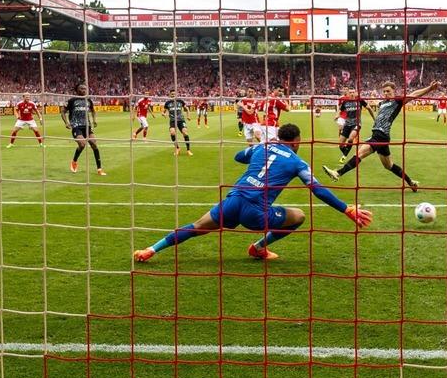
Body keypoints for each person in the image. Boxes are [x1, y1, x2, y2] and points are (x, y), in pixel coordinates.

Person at [133, 123, 373, 262]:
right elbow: (318, 190)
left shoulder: (263, 147)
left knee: (195, 227)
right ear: (297, 141)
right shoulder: (298, 163)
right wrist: (346, 209)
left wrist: (258, 149)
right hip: (256, 214)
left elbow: (238, 157)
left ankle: (150, 250)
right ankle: (258, 247)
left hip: (234, 201)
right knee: (298, 216)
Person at [323, 80, 441, 191]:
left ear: (394, 91)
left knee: (360, 153)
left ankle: (337, 173)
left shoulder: (397, 101)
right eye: (384, 91)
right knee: (389, 165)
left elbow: (414, 94)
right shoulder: (382, 103)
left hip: (380, 135)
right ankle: (411, 183)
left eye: (388, 91)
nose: (385, 93)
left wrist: (430, 88)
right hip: (381, 136)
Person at [60, 83, 106, 175]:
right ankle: (74, 161)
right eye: (81, 88)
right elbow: (63, 111)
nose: (84, 90)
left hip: (87, 126)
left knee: (94, 144)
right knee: (82, 144)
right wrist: (66, 123)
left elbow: (93, 111)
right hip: (76, 126)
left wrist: (94, 120)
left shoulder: (88, 100)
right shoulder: (72, 100)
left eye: (85, 89)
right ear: (77, 90)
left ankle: (99, 169)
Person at [337, 87, 375, 164]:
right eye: (350, 92)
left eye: (353, 92)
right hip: (347, 124)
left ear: (355, 93)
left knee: (351, 139)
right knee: (340, 144)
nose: (351, 94)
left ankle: (344, 155)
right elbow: (340, 110)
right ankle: (346, 152)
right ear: (348, 93)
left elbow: (369, 108)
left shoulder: (360, 100)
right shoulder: (345, 102)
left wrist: (374, 119)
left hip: (357, 123)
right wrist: (337, 115)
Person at [163, 89, 192, 156]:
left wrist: (188, 116)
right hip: (173, 120)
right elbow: (163, 111)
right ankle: (177, 148)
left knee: (185, 132)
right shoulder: (167, 103)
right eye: (172, 94)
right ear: (170, 95)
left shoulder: (180, 101)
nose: (173, 95)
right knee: (172, 132)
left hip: (181, 120)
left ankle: (188, 150)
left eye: (174, 94)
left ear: (176, 94)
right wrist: (163, 114)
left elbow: (187, 109)